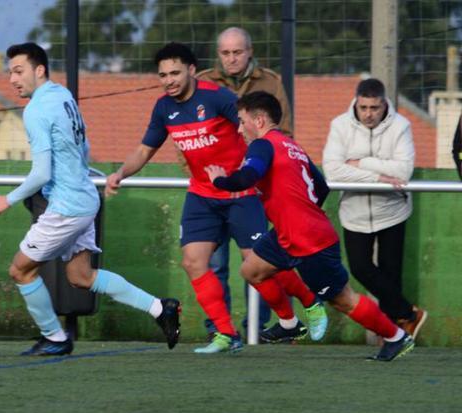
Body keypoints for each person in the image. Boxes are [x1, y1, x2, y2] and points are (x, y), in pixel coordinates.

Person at [106, 42, 326, 355]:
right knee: (193, 262)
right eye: (163, 75)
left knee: (261, 263)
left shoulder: (217, 98)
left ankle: (309, 304)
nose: (169, 80)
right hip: (202, 194)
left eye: (175, 73)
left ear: (192, 70)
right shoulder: (163, 108)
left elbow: (252, 128)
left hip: (240, 192)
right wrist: (120, 174)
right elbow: (144, 150)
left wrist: (255, 168)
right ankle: (226, 334)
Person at [0, 42, 181, 356]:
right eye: (10, 72)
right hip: (84, 199)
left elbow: (40, 173)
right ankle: (161, 308)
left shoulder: (36, 109)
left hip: (67, 207)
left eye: (18, 71)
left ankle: (54, 337)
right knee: (80, 276)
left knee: (20, 270)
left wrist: (7, 200)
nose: (12, 79)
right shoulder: (63, 95)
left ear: (39, 70)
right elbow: (84, 144)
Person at [205, 91, 414, 361]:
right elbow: (321, 186)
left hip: (310, 241)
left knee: (343, 300)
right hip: (287, 233)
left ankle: (396, 337)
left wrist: (220, 181)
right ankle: (290, 325)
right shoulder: (290, 144)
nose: (239, 128)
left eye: (242, 121)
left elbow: (246, 177)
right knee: (252, 270)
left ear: (258, 120)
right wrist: (296, 207)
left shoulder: (262, 145)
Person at [196, 26, 294, 338]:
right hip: (212, 189)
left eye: (237, 52)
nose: (231, 58)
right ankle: (219, 329)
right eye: (225, 53)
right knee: (215, 264)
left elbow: (284, 134)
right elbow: (187, 133)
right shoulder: (203, 83)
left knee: (259, 263)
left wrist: (259, 172)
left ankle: (260, 327)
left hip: (252, 190)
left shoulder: (271, 82)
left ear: (250, 51)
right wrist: (198, 171)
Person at [322, 78, 427, 340]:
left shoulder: (401, 126)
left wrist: (360, 163)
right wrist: (378, 176)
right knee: (359, 268)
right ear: (356, 103)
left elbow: (403, 170)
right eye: (364, 107)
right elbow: (333, 169)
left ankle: (394, 336)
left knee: (391, 275)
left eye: (375, 108)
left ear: (384, 105)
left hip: (392, 211)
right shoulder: (340, 125)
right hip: (354, 212)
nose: (369, 114)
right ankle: (409, 314)